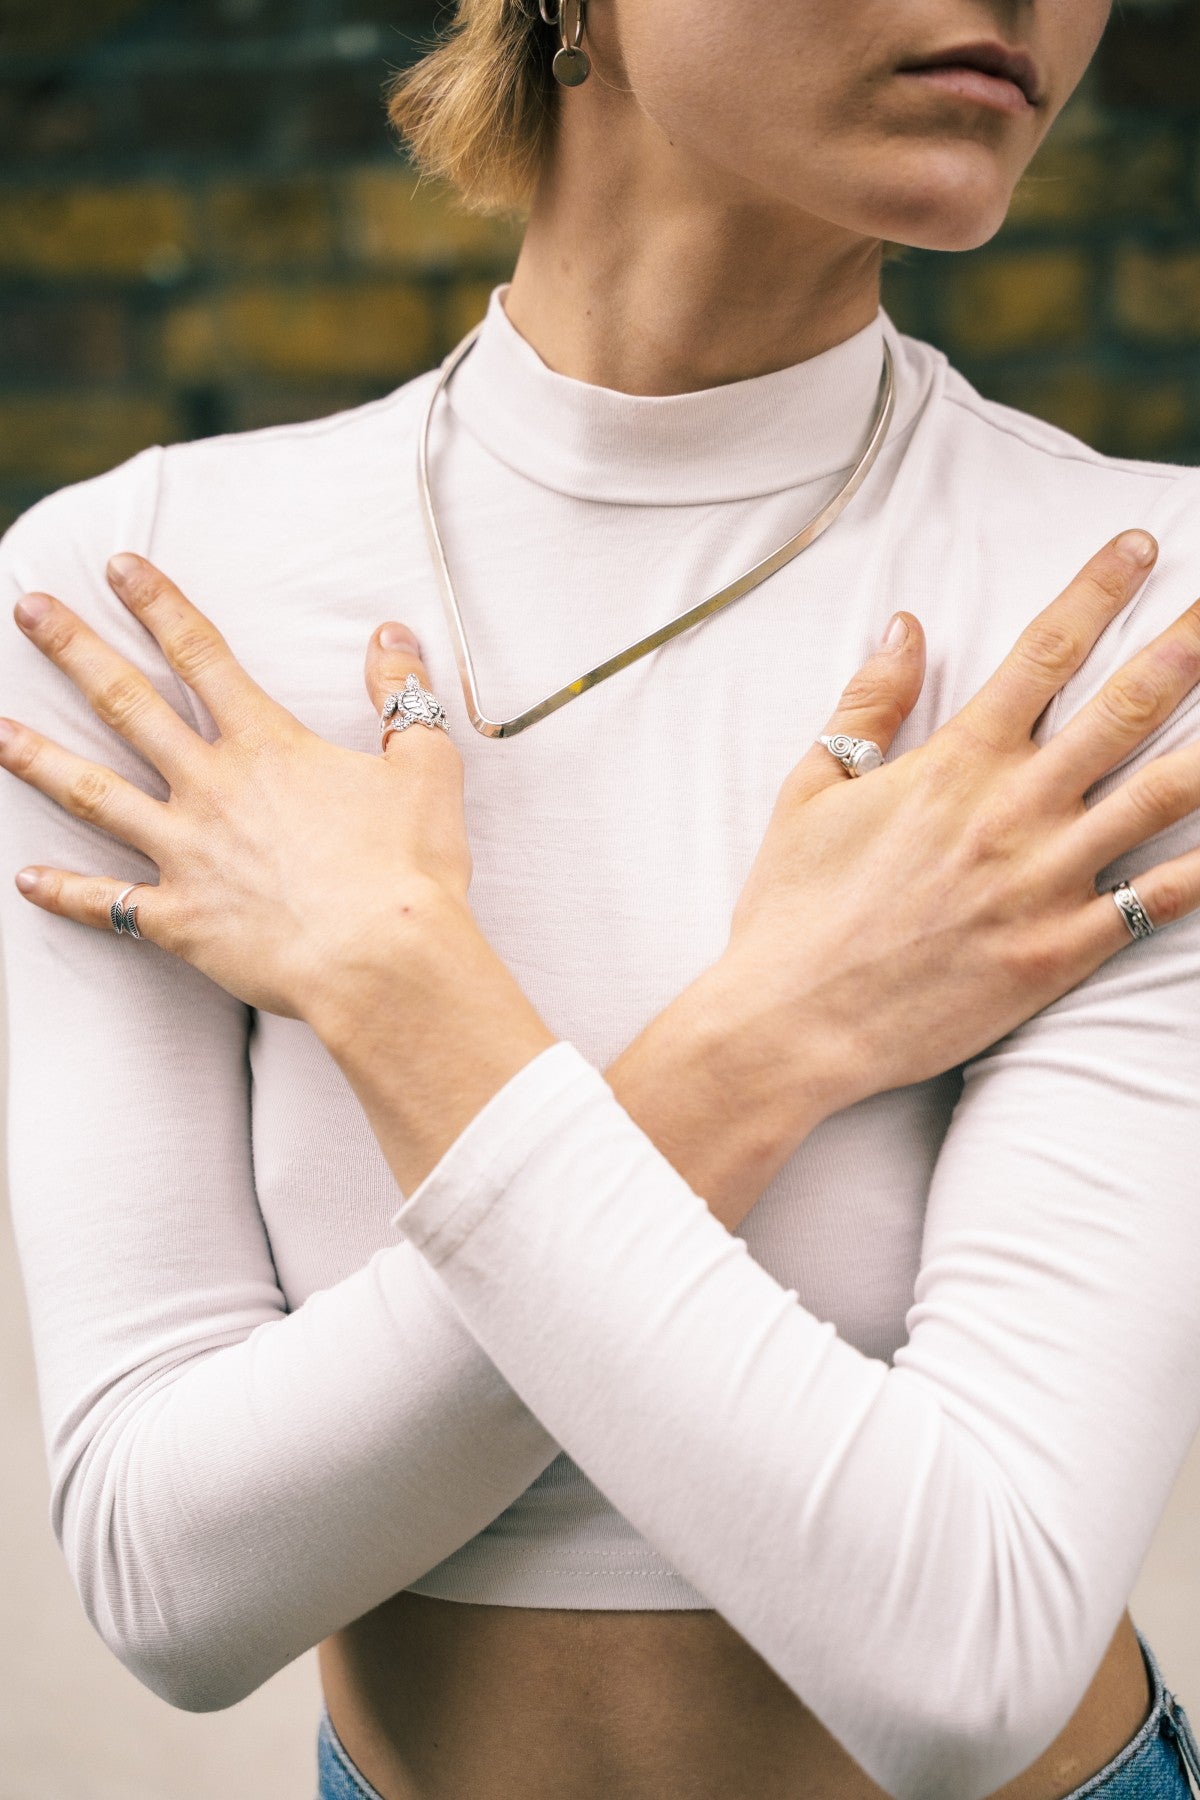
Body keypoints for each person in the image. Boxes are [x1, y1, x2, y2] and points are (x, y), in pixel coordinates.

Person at [3, 1, 1200, 1797]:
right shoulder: (141, 595)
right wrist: (772, 1039)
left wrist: (401, 986)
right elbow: (174, 1578)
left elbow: (969, 1654)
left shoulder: (1126, 627)